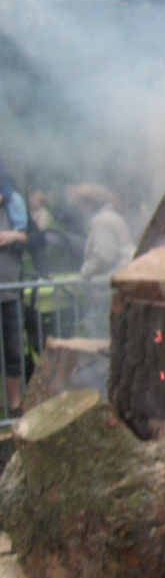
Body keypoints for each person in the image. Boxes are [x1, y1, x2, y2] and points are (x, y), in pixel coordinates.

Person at [0, 162, 28, 415]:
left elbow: (30, 236)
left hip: (10, 288)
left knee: (13, 350)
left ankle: (15, 405)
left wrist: (12, 236)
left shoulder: (14, 202)